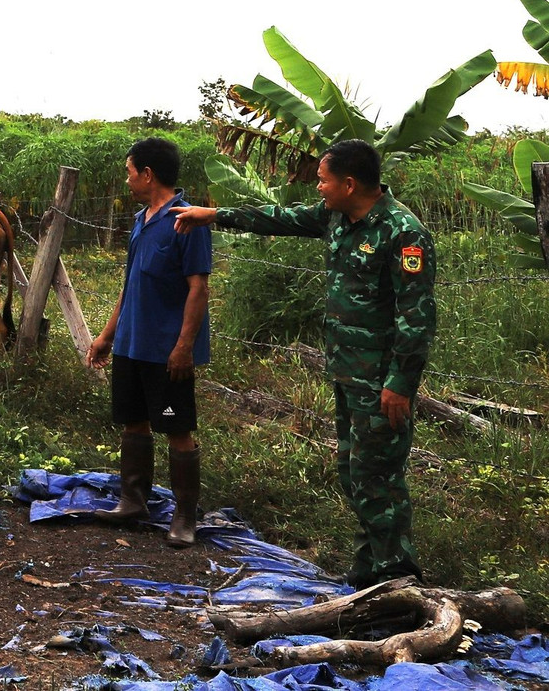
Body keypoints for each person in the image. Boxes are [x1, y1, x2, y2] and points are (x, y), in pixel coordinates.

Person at [172, 139, 432, 587]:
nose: (319, 189)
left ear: (349, 184)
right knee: (353, 472)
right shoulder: (337, 217)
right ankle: (369, 568)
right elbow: (278, 218)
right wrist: (213, 216)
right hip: (347, 373)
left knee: (379, 479)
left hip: (381, 382)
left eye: (323, 180)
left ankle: (397, 580)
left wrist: (401, 382)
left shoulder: (401, 231)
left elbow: (418, 315)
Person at [86, 137, 211, 547]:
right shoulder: (141, 220)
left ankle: (185, 516)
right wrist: (108, 335)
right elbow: (130, 283)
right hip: (131, 344)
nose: (127, 181)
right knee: (133, 421)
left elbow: (198, 289)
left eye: (129, 172)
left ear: (148, 174)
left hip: (165, 350)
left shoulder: (186, 221)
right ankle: (133, 500)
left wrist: (183, 346)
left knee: (177, 427)